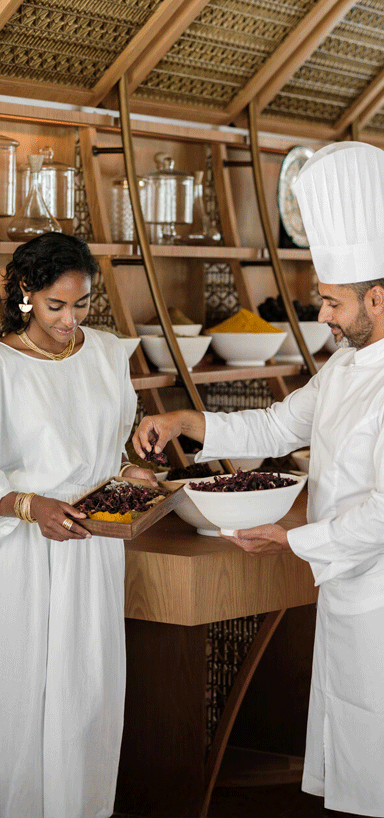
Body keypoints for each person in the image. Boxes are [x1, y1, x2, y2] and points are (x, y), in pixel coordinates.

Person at [133, 141, 384, 818]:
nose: (323, 316)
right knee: (359, 751)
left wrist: (292, 537)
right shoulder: (346, 363)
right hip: (349, 586)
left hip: (376, 586)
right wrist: (191, 420)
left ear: (377, 298)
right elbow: (276, 426)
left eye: (333, 303)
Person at [0, 231, 156, 818]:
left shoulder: (107, 352)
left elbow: (110, 450)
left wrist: (131, 472)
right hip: (24, 559)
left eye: (83, 303)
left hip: (92, 551)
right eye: (55, 306)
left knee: (88, 697)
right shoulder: (4, 367)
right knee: (21, 697)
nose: (71, 320)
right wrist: (28, 506)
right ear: (25, 294)